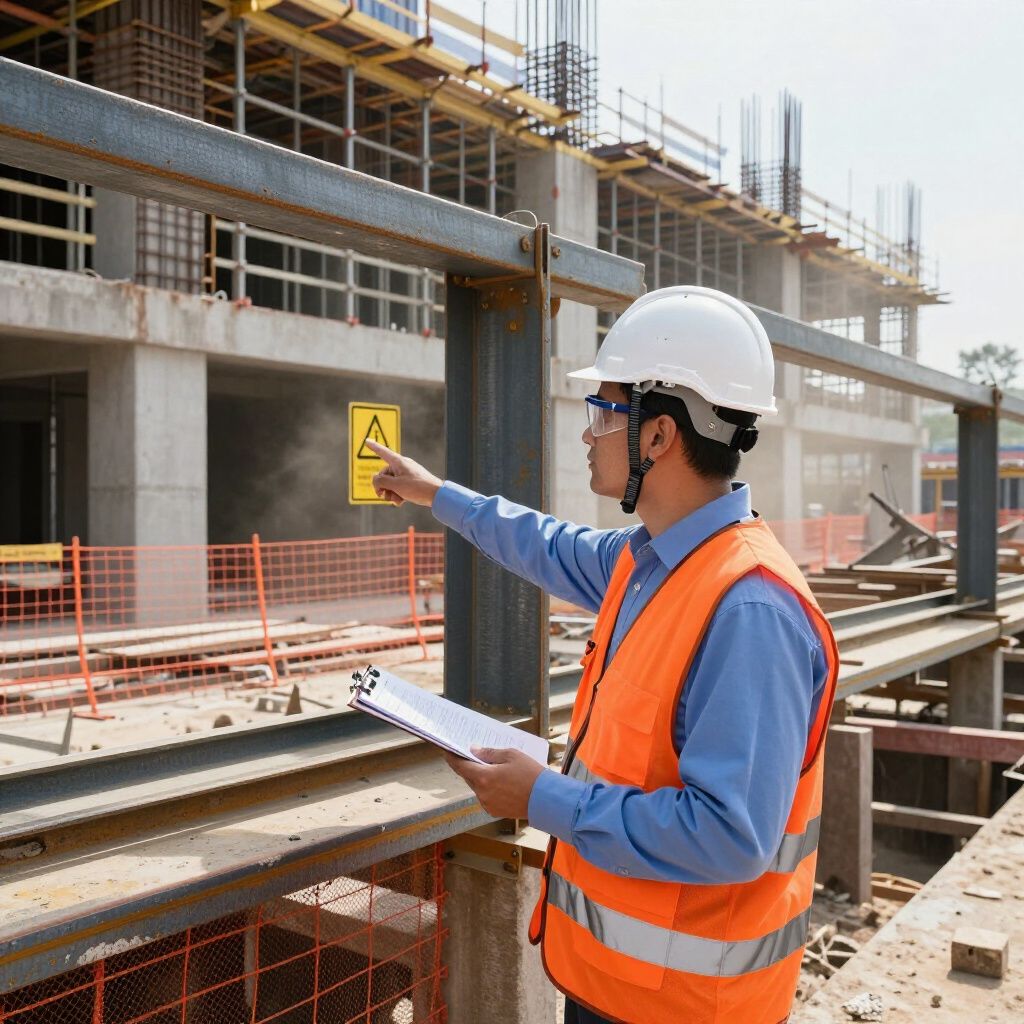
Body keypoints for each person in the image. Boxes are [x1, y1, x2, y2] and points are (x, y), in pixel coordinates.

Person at [369, 286, 838, 1024]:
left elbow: (730, 836)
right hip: (620, 988)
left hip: (687, 1008)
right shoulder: (652, 562)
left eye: (603, 412)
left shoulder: (749, 610)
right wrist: (437, 494)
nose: (588, 435)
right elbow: (544, 544)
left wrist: (540, 798)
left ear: (657, 437)